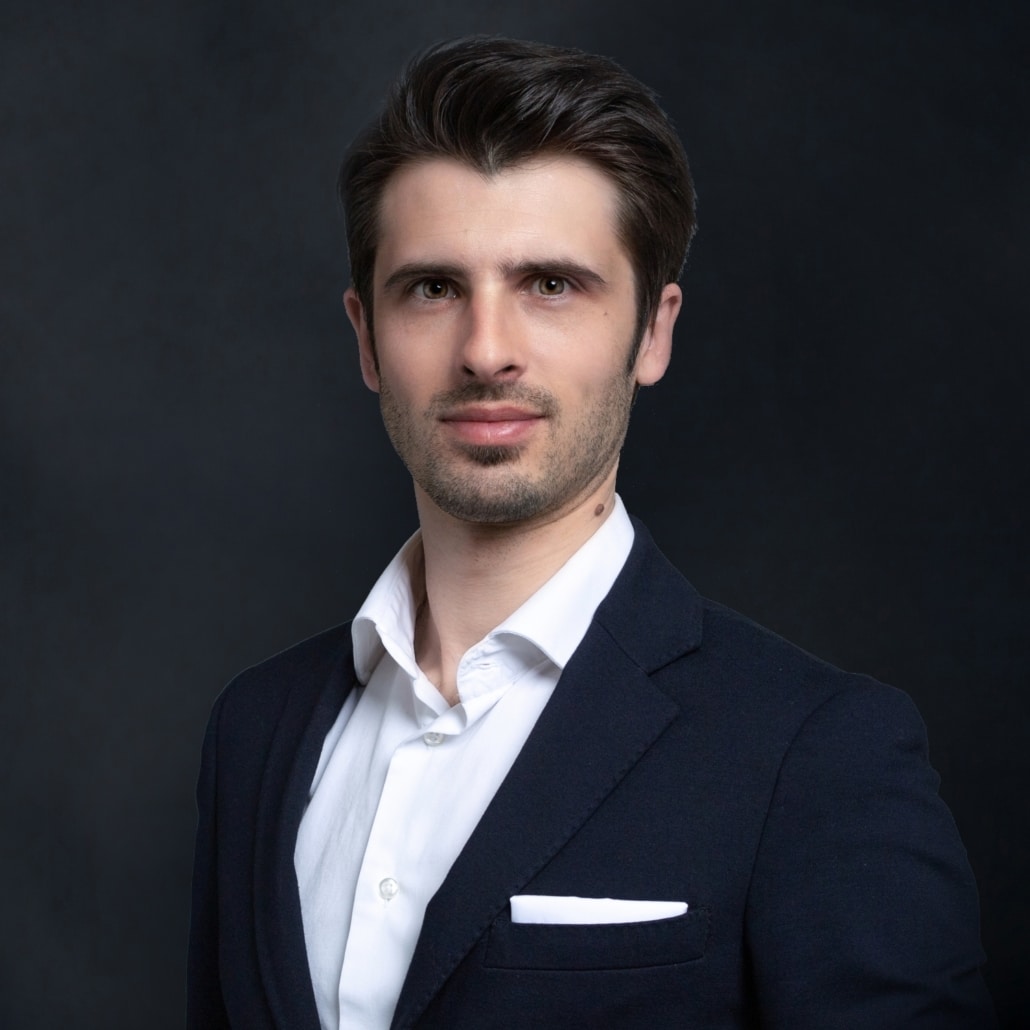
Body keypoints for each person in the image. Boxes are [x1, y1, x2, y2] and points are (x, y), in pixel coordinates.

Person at [187, 36, 996, 1029]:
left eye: (551, 285)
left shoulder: (813, 752)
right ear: (365, 336)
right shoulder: (255, 731)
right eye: (434, 288)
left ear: (652, 332)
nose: (486, 351)